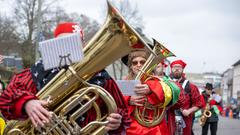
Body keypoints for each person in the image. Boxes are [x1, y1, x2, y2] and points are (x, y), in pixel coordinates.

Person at [0, 22, 129, 134]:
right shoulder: (33, 74)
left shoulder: (102, 78)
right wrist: (27, 103)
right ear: (54, 43)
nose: (69, 48)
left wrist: (117, 123)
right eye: (64, 42)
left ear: (84, 46)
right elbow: (5, 100)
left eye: (76, 42)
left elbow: (122, 114)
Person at [121, 50, 179, 135]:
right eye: (134, 63)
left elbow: (172, 93)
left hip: (155, 129)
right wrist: (129, 100)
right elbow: (117, 103)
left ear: (148, 64)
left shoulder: (158, 80)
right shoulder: (125, 82)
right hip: (130, 128)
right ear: (131, 66)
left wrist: (151, 88)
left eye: (142, 62)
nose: (138, 65)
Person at [170, 59, 202, 135]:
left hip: (185, 120)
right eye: (174, 67)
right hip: (169, 119)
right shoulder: (165, 83)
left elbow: (198, 104)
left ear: (183, 69)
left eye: (179, 67)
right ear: (171, 69)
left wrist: (189, 111)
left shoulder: (191, 86)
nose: (177, 68)